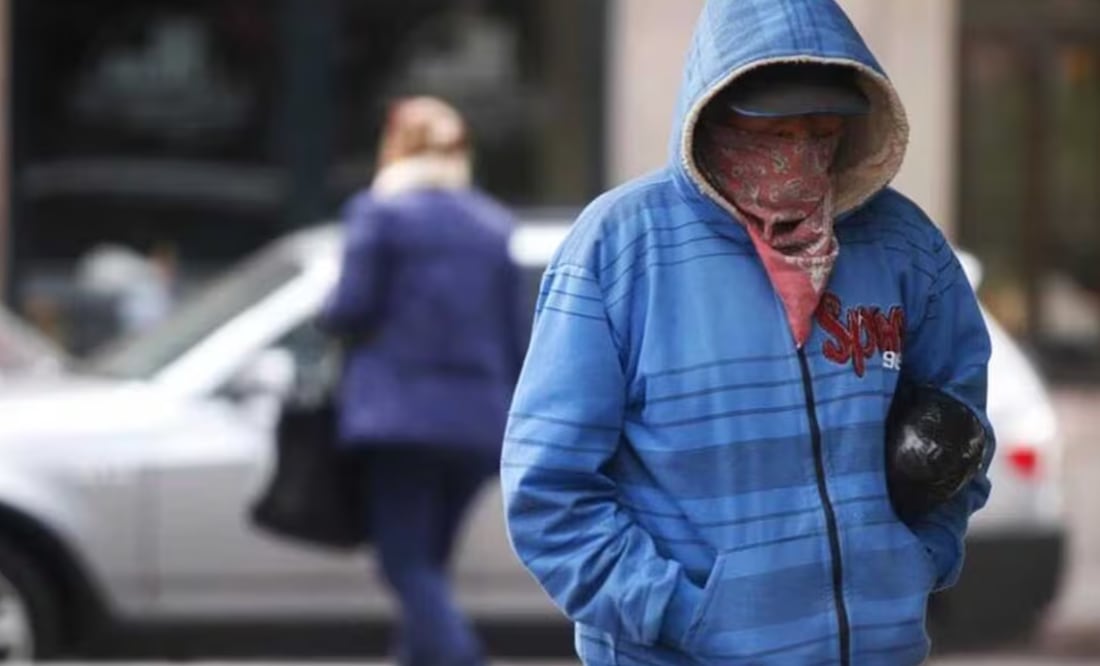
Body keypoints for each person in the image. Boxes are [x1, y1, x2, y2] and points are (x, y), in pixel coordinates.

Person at [501, 1, 994, 664]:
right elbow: (549, 490)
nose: (801, 154)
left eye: (820, 130)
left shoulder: (901, 244)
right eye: (776, 130)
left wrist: (917, 560)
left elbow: (960, 415)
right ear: (715, 116)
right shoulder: (620, 249)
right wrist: (678, 612)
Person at [320, 96, 526, 666]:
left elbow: (349, 309)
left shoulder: (379, 214)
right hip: (479, 421)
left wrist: (327, 314)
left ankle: (462, 658)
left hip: (398, 419)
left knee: (403, 562)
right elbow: (514, 333)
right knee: (428, 566)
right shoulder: (492, 223)